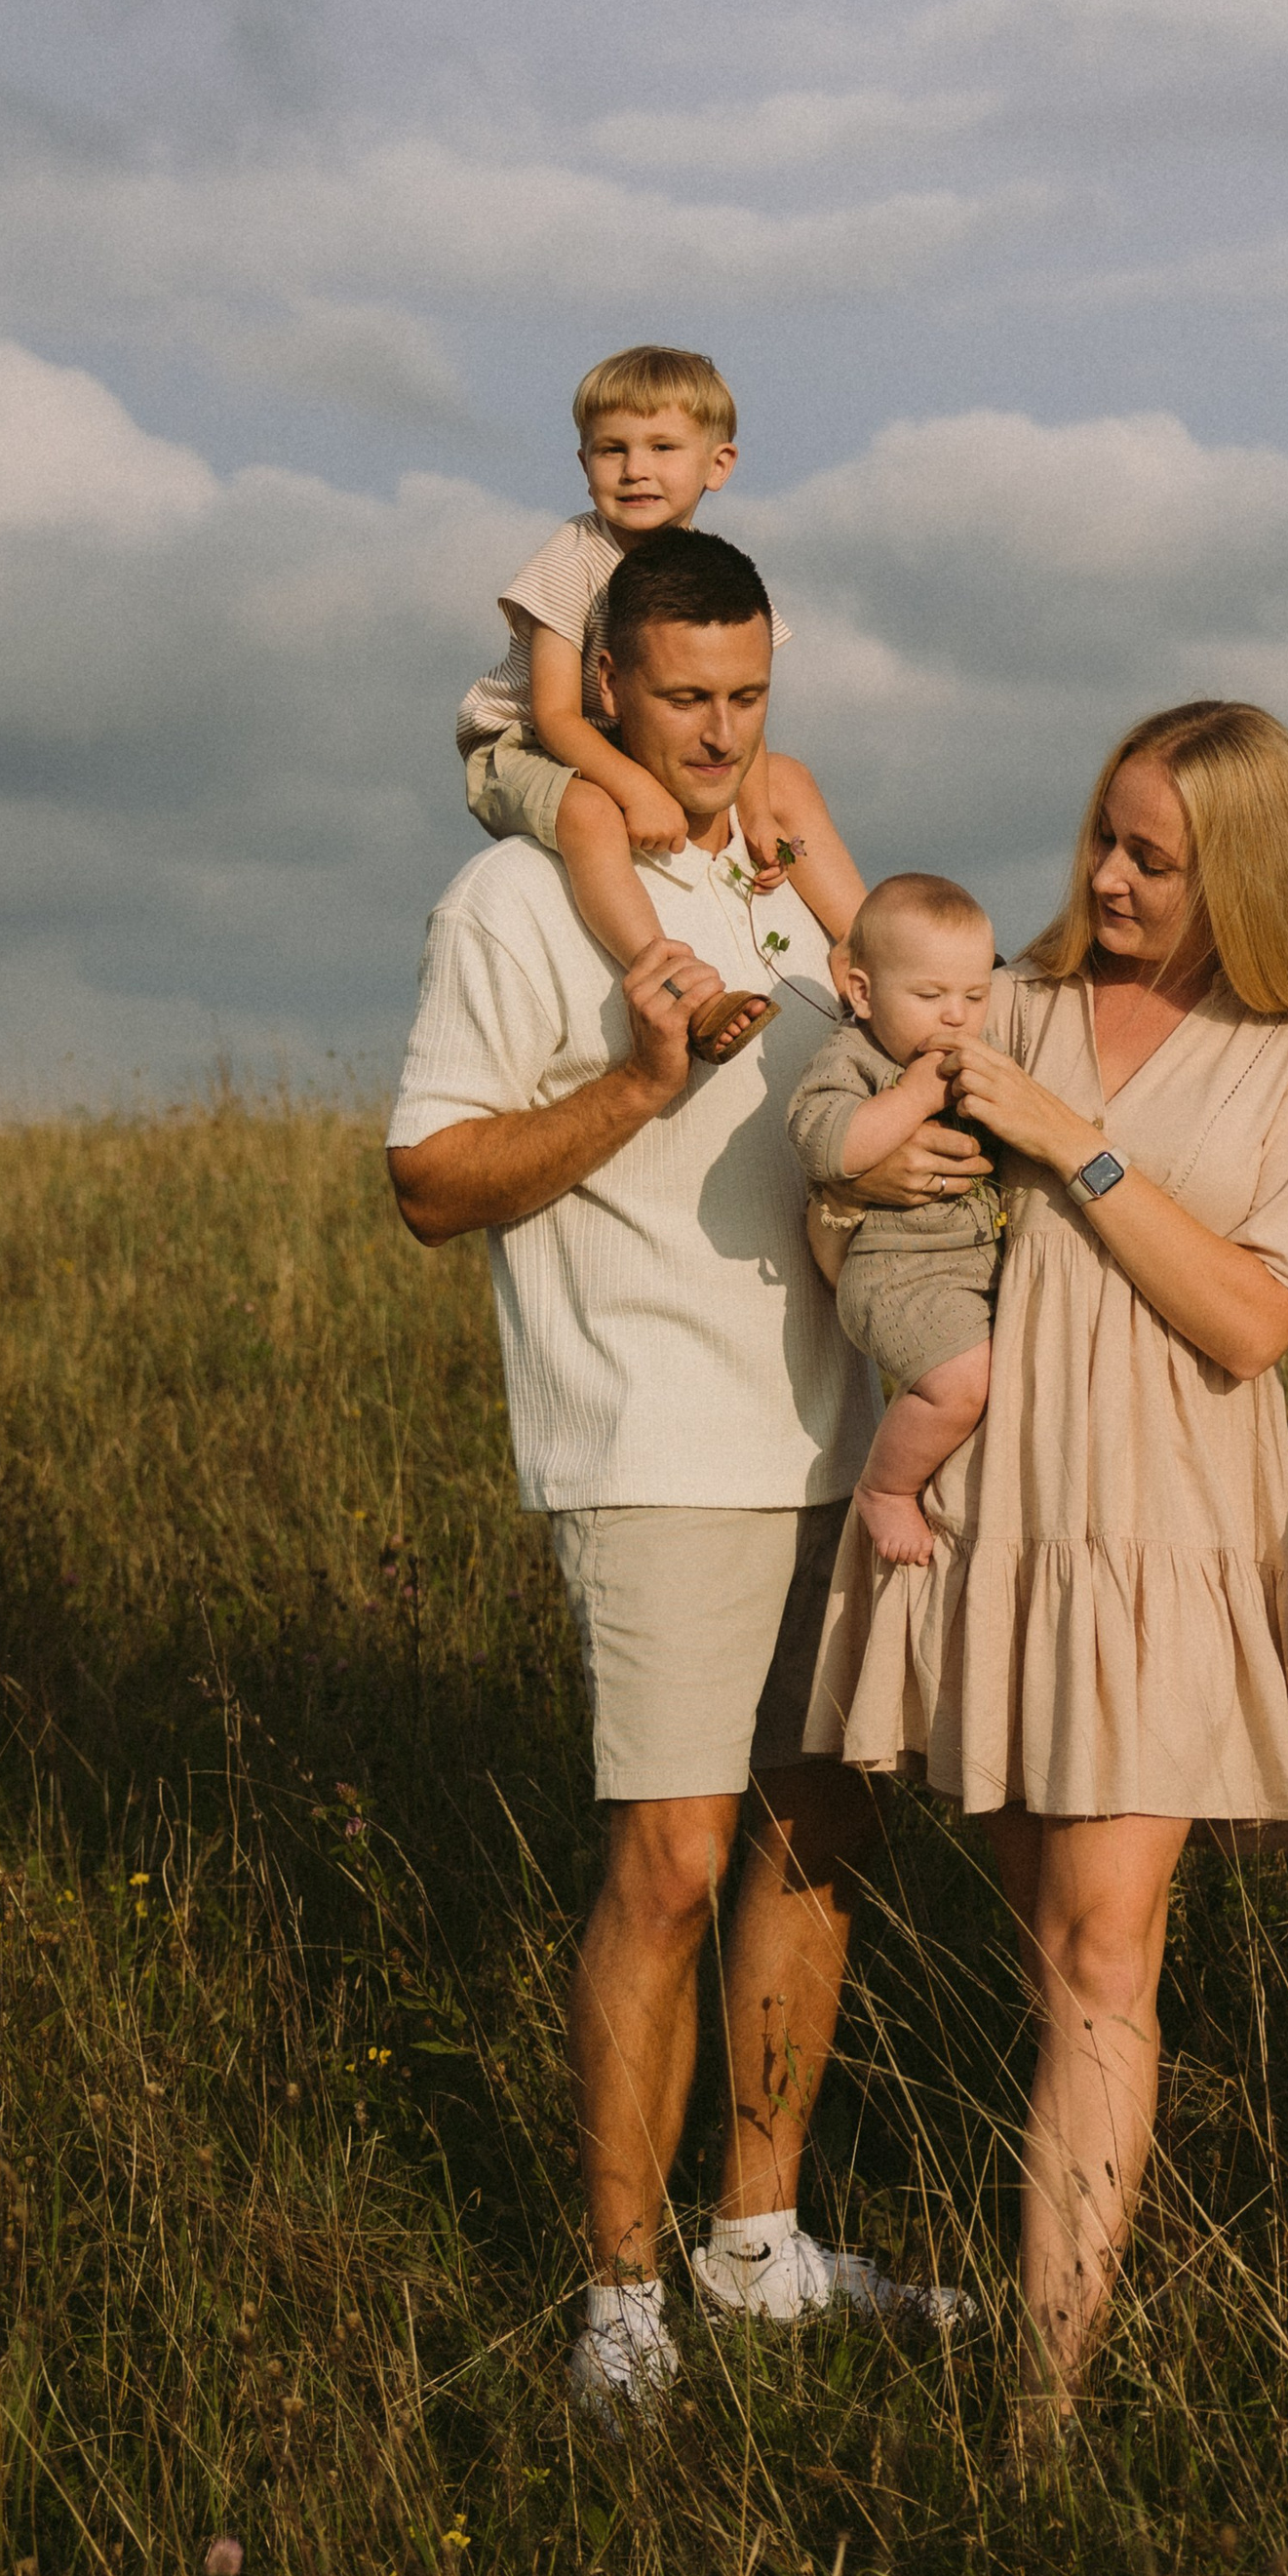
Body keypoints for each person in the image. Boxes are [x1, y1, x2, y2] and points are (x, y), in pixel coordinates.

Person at [388, 521, 976, 2416]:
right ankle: (620, 2297)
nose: (720, 733)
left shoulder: (790, 886)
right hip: (652, 1438)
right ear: (606, 691)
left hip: (843, 1437)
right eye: (684, 697)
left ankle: (757, 2243)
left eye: (750, 695)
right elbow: (427, 1183)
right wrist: (638, 1084)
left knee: (817, 1835)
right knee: (667, 1861)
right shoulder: (514, 901)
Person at [807, 699, 1288, 2425]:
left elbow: (1254, 1322)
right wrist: (883, 1181)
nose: (1110, 874)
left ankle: (1044, 2399)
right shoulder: (1010, 1000)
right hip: (992, 1516)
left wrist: (1074, 1139)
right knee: (1052, 1953)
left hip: (1164, 1524)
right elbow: (849, 1160)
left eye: (1156, 856)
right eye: (1104, 835)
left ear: (1253, 875)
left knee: (1098, 1956)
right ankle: (1061, 2289)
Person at [453, 343, 863, 1027]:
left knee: (788, 779)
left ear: (717, 465)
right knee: (590, 812)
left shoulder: (712, 573)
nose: (635, 469)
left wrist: (760, 815)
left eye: (662, 448)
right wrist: (635, 789)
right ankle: (672, 981)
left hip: (629, 735)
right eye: (612, 449)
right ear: (583, 463)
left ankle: (867, 946)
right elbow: (555, 715)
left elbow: (739, 705)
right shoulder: (572, 559)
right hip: (524, 746)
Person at [786, 873, 1003, 1568]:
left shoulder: (974, 1052)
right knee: (961, 1383)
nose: (956, 1017)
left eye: (975, 996)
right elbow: (825, 1144)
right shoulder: (852, 1058)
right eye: (930, 996)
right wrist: (912, 1098)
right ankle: (885, 1488)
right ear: (862, 992)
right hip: (897, 1275)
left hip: (970, 1268)